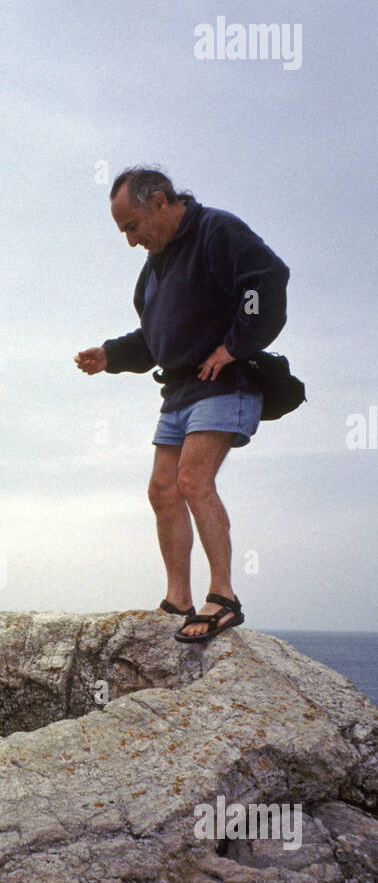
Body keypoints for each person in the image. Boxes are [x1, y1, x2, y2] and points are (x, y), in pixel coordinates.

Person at [75, 166, 290, 644]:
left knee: (194, 479)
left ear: (160, 202)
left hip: (223, 381)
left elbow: (267, 280)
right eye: (123, 231)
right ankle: (178, 598)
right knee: (162, 491)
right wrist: (110, 355)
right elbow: (154, 340)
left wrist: (237, 344)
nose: (130, 240)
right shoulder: (151, 272)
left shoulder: (216, 230)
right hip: (178, 392)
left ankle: (224, 597)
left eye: (132, 226)